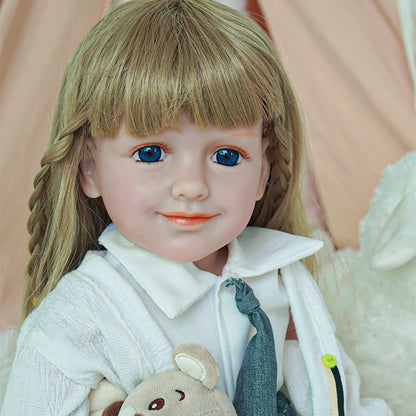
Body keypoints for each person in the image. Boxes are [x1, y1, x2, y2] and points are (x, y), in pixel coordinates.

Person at [1, 1, 392, 415]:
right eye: (150, 153)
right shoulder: (80, 316)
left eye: (226, 156)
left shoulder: (283, 280)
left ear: (264, 169)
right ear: (89, 167)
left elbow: (337, 395)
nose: (191, 187)